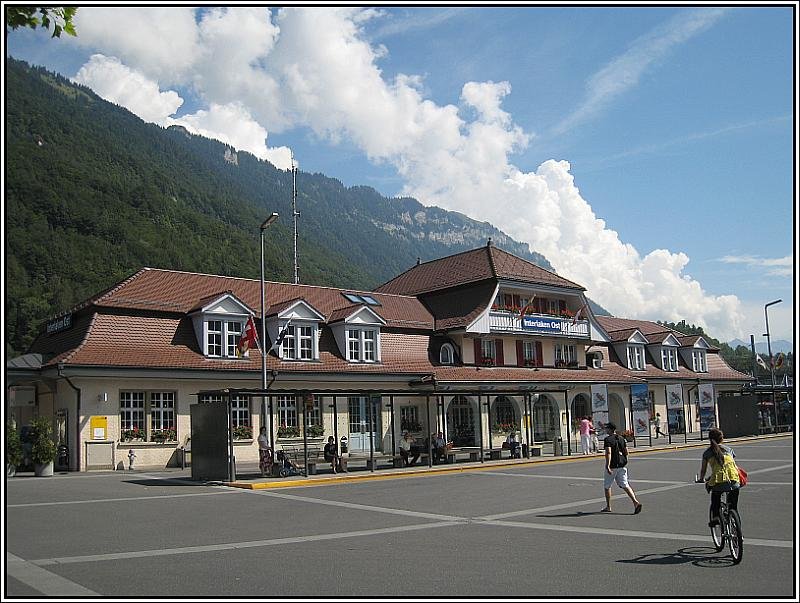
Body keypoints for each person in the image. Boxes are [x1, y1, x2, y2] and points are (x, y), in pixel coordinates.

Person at [696, 428, 740, 527]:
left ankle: (715, 517)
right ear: (722, 439)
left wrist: (702, 479)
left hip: (719, 480)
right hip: (734, 479)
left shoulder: (707, 453)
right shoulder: (729, 449)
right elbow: (729, 466)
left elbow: (703, 470)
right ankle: (739, 534)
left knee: (715, 498)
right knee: (734, 508)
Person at [601, 422, 642, 514]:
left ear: (610, 429)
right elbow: (626, 452)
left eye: (607, 428)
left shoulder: (608, 439)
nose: (606, 430)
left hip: (612, 466)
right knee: (625, 485)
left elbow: (608, 453)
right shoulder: (621, 438)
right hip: (621, 465)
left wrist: (607, 465)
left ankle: (608, 506)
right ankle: (635, 502)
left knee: (607, 486)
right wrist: (625, 460)